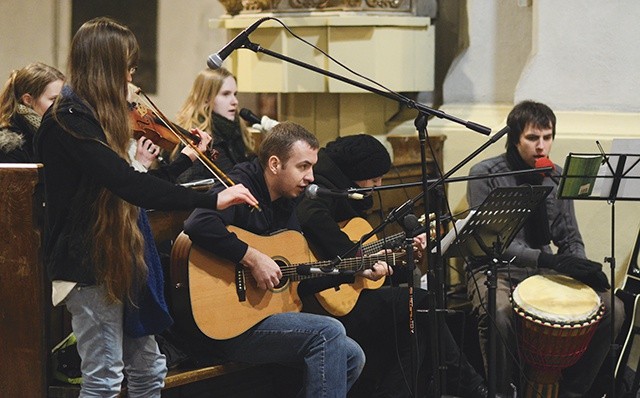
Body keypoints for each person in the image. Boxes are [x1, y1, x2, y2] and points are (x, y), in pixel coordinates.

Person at [35, 17, 258, 397]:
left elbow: (143, 182)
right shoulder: (67, 121)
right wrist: (211, 198)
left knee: (150, 371)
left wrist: (182, 161)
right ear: (107, 67)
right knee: (104, 379)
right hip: (87, 265)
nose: (133, 76)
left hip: (119, 257)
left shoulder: (99, 119)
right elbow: (128, 184)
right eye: (128, 66)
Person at [295, 134, 489, 398]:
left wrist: (404, 256)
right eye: (374, 178)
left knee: (414, 327)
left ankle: (465, 384)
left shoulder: (348, 194)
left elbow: (377, 268)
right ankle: (470, 384)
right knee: (418, 302)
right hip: (320, 297)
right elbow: (312, 218)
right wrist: (359, 258)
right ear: (356, 172)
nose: (379, 185)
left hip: (351, 292)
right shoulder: (322, 187)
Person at [183, 122, 366, 397]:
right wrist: (252, 258)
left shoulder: (285, 200)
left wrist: (355, 271)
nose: (311, 177)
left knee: (352, 356)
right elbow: (197, 223)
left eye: (312, 167)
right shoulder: (240, 183)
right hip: (223, 324)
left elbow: (295, 279)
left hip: (260, 317)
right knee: (328, 333)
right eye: (303, 166)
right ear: (274, 164)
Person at [465, 100, 625, 397]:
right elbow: (491, 244)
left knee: (612, 309)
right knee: (499, 312)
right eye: (532, 138)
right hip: (494, 268)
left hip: (543, 268)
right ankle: (501, 391)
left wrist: (580, 267)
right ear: (514, 138)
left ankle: (573, 391)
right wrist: (554, 261)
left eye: (547, 137)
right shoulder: (484, 174)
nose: (542, 146)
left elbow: (570, 236)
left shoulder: (558, 174)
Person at [174, 68, 254, 182]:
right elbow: (191, 187)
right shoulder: (194, 139)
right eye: (226, 94)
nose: (235, 101)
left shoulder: (237, 130)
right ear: (206, 98)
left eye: (235, 94)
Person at [0, 62, 64, 162]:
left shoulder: (54, 131)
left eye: (64, 100)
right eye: (54, 100)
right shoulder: (10, 144)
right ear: (28, 100)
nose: (62, 105)